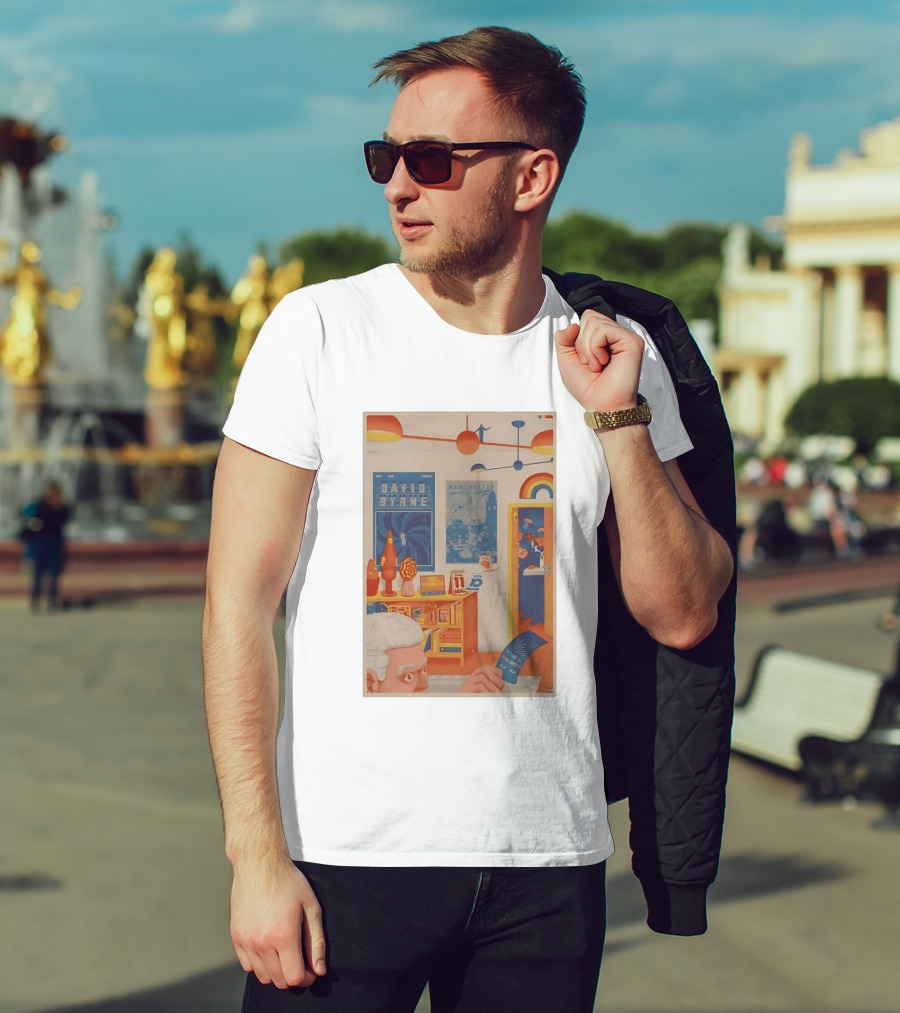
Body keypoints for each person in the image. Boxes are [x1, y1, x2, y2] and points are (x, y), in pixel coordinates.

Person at [202, 26, 734, 1013]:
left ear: (532, 176)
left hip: (548, 864)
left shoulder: (616, 356)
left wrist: (617, 416)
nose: (399, 185)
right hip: (343, 863)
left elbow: (685, 610)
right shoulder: (318, 330)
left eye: (433, 160)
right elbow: (239, 605)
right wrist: (255, 854)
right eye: (385, 157)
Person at [24, 480, 70, 611]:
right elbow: (33, 519)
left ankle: (51, 600)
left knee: (54, 573)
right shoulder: (41, 504)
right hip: (41, 541)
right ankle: (35, 600)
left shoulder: (62, 507)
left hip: (55, 541)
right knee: (38, 572)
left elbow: (63, 520)